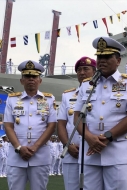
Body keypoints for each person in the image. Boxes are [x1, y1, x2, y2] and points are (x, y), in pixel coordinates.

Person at [73, 36, 127, 190]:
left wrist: (107, 137)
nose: (102, 60)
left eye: (107, 57)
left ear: (118, 60)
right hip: (89, 152)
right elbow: (77, 116)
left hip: (117, 152)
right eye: (99, 56)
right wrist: (90, 138)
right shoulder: (87, 84)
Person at [3, 60, 57, 190]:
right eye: (27, 76)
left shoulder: (49, 99)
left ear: (40, 80)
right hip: (17, 156)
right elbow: (8, 126)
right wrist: (19, 147)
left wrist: (35, 147)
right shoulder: (12, 99)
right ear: (22, 81)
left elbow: (51, 126)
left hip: (40, 156)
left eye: (34, 76)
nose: (31, 79)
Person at [57, 56, 96, 190]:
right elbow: (61, 124)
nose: (82, 72)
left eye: (86, 69)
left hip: (93, 151)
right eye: (79, 70)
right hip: (72, 152)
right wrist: (68, 145)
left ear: (95, 72)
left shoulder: (102, 94)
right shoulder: (67, 96)